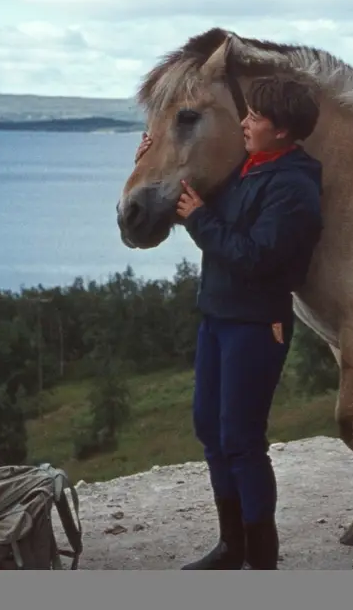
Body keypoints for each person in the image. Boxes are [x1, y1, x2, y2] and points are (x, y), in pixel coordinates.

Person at [134, 73, 323, 570]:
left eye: (256, 117)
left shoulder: (295, 186)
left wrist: (199, 219)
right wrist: (150, 160)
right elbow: (194, 197)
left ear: (281, 130)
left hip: (257, 325)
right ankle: (230, 544)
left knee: (241, 439)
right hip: (218, 317)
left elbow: (257, 256)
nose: (245, 122)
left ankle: (261, 556)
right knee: (211, 432)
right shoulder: (248, 168)